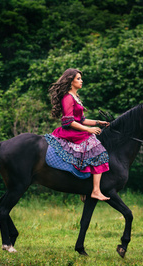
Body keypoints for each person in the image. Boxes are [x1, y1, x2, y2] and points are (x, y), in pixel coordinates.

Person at [45, 68, 110, 201]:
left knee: (87, 153)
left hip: (78, 130)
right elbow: (68, 121)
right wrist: (88, 130)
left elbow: (82, 119)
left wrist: (98, 122)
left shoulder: (76, 97)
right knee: (98, 151)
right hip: (71, 132)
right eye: (78, 79)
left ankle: (83, 186)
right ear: (70, 81)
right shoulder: (68, 98)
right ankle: (96, 191)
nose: (81, 81)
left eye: (81, 78)